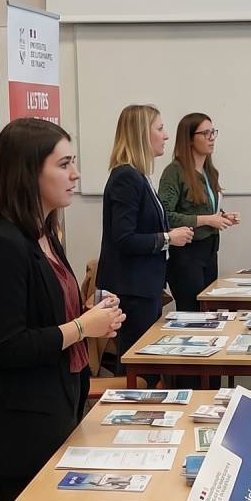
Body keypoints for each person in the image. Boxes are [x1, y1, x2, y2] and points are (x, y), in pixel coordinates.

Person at [0, 117, 123, 501]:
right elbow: (6, 345)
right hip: (22, 427)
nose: (75, 174)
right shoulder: (1, 244)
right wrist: (82, 327)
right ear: (28, 172)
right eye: (64, 164)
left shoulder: (45, 233)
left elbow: (50, 315)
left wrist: (91, 314)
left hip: (59, 408)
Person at [97, 105, 192, 355]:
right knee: (138, 359)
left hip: (144, 287)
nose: (166, 136)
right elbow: (124, 239)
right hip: (132, 291)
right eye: (160, 129)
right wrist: (168, 238)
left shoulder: (140, 176)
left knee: (147, 358)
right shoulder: (126, 177)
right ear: (141, 133)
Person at [157, 113, 239, 310]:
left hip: (209, 250)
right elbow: (165, 216)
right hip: (186, 255)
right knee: (192, 311)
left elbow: (201, 207)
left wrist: (222, 217)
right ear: (189, 139)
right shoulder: (174, 172)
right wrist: (208, 220)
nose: (212, 138)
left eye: (213, 132)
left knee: (208, 310)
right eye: (205, 133)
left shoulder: (210, 172)